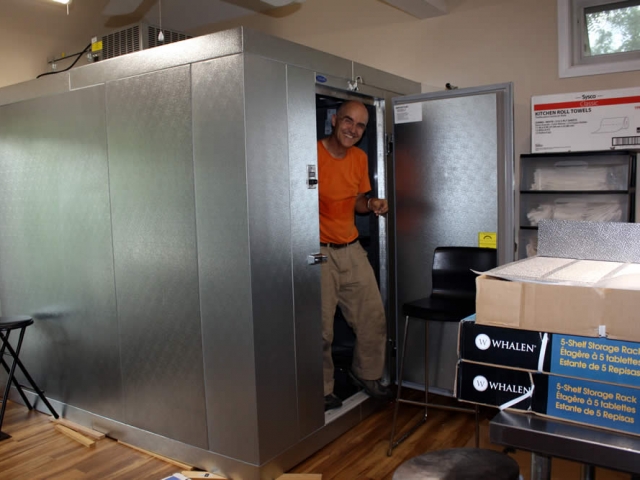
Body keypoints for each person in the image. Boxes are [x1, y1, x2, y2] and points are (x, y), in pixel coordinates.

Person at [317, 100, 393, 411]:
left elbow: (358, 202)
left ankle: (367, 374)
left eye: (360, 125)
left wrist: (372, 204)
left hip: (350, 247)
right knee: (320, 328)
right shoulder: (310, 154)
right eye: (348, 121)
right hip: (317, 253)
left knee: (372, 316)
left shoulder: (359, 158)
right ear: (334, 120)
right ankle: (321, 389)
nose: (353, 129)